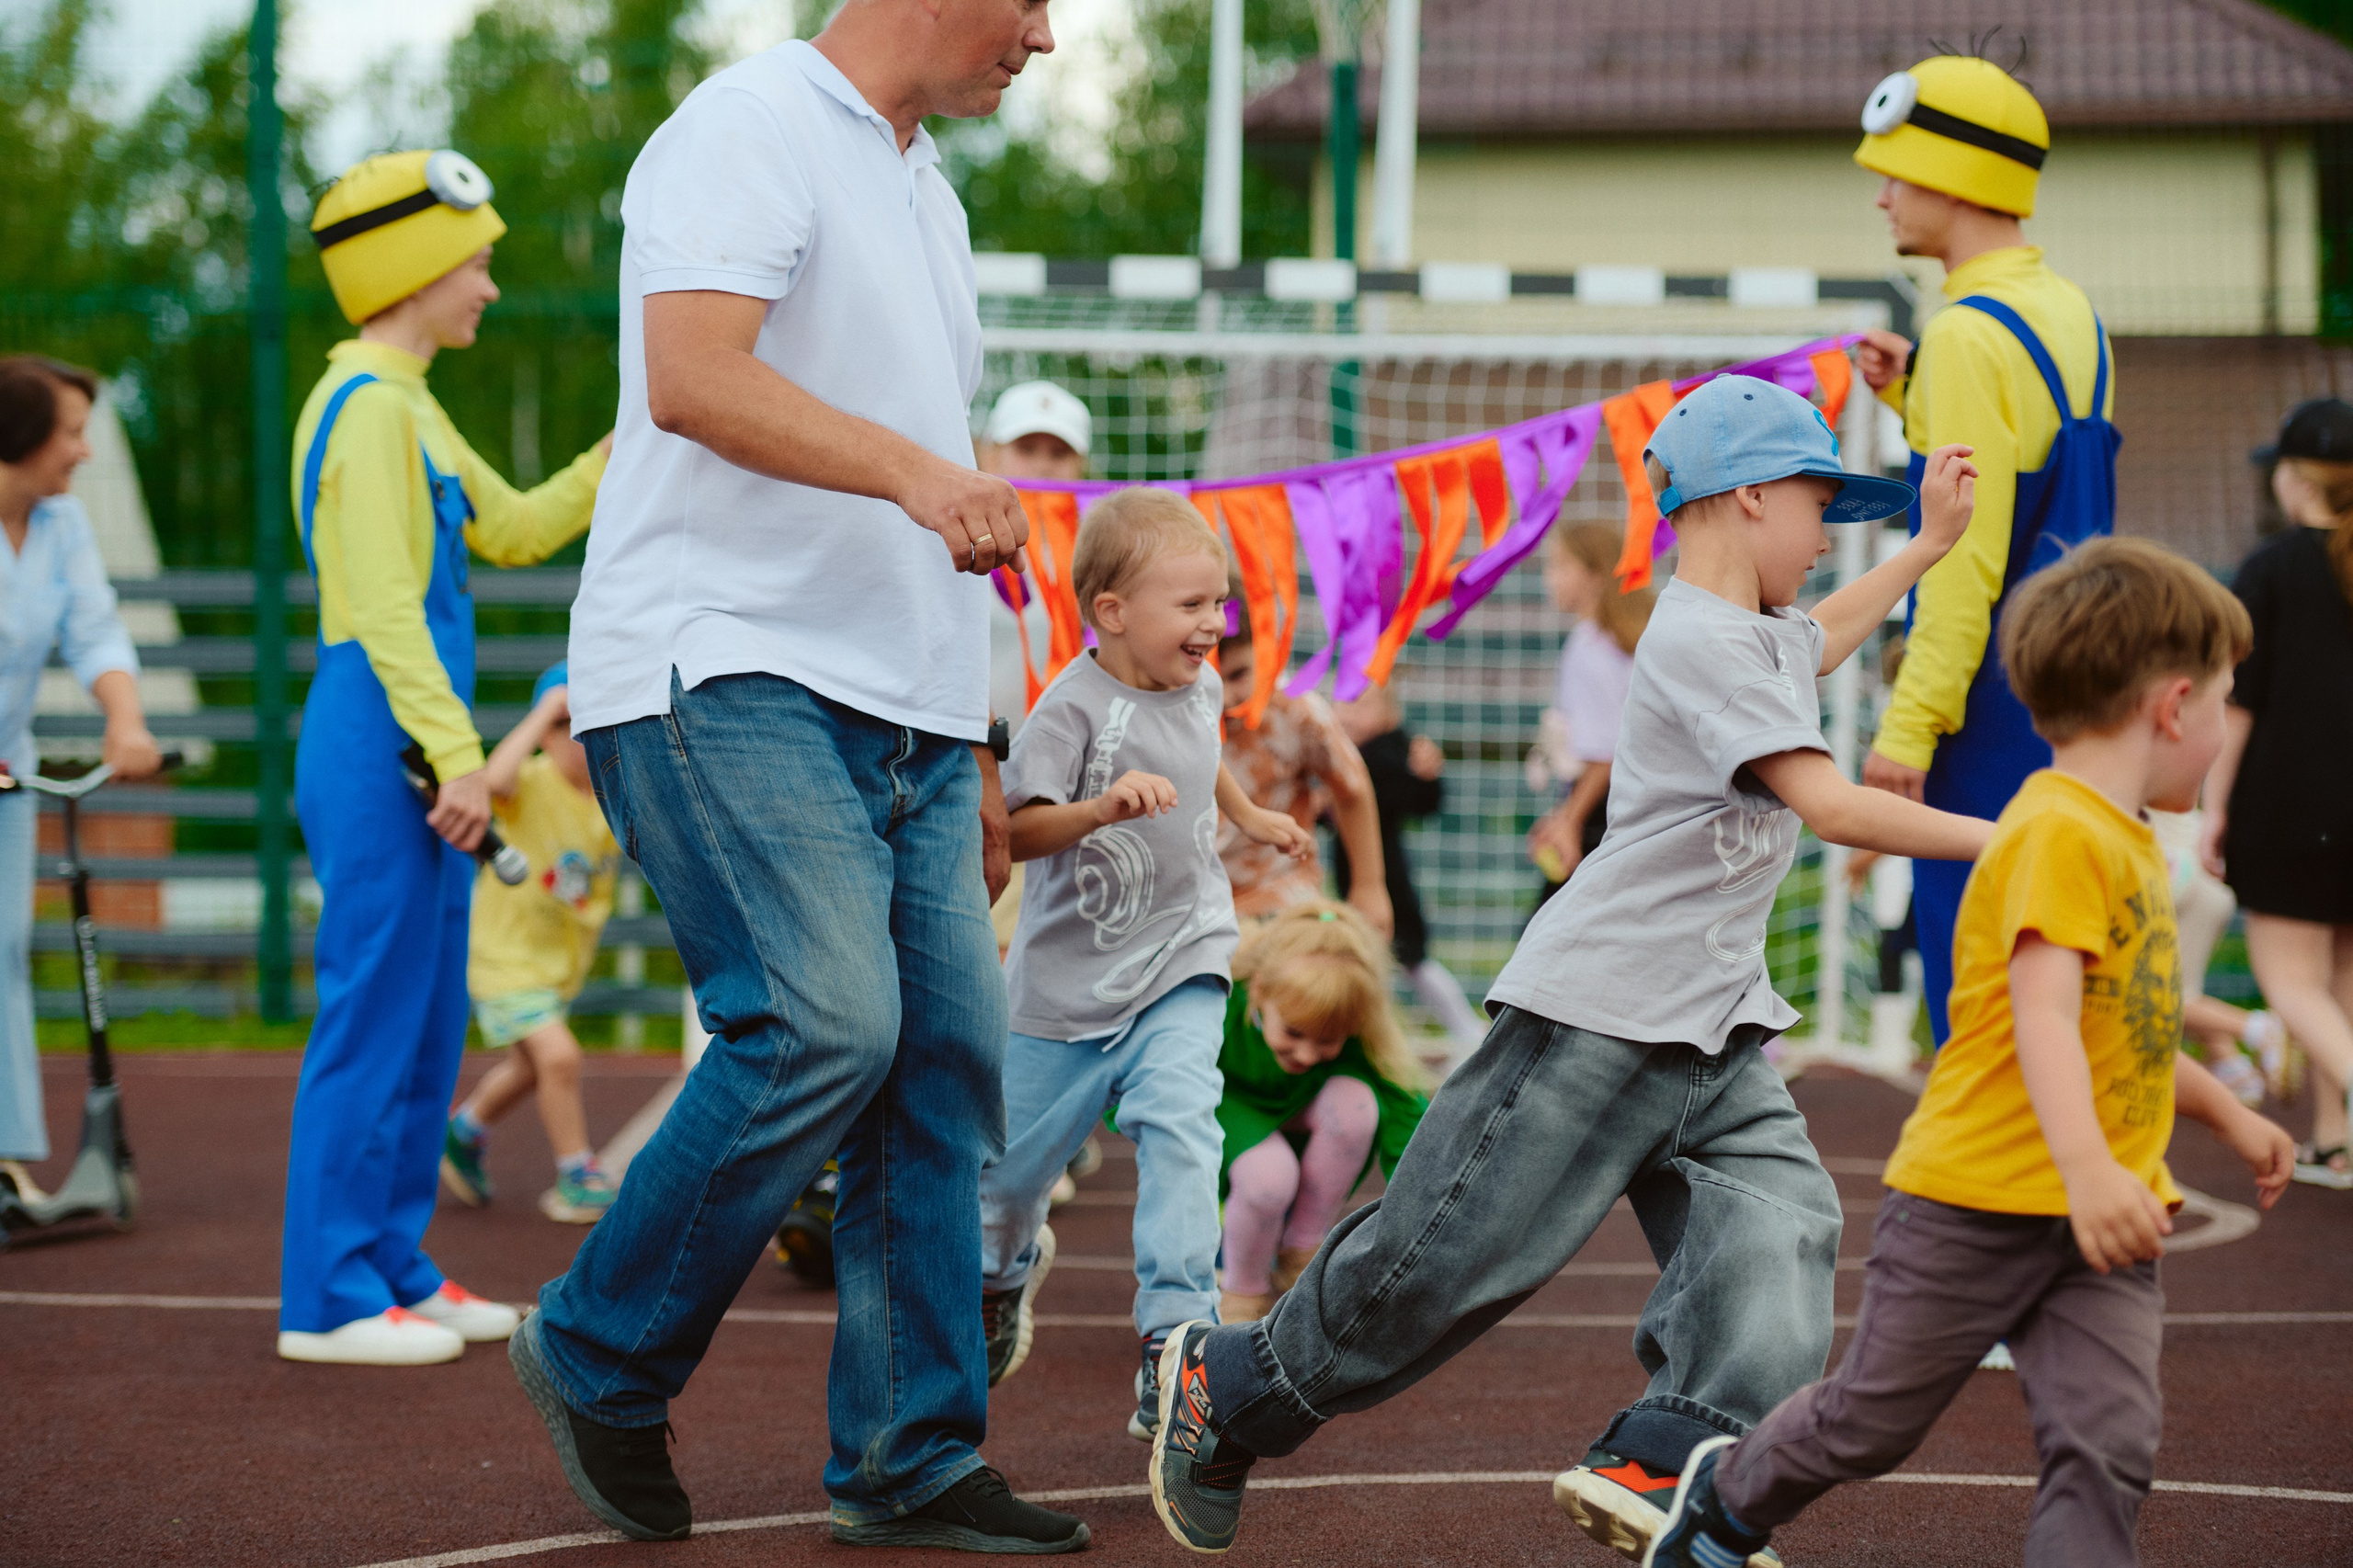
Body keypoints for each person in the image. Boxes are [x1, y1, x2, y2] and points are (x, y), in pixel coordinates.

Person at [1146, 375, 1994, 1562]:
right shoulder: (1699, 641)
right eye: (1818, 509)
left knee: (1783, 1222)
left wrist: (1927, 551)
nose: (1825, 536)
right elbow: (1831, 801)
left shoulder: (1744, 636)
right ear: (1751, 497)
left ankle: (1673, 1448)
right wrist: (2013, 836)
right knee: (1439, 1266)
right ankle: (1225, 1383)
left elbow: (1819, 638)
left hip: (1713, 1027)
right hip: (1597, 1016)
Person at [514, 5, 1091, 1553]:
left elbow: (939, 454)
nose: (1045, 34)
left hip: (908, 704)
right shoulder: (747, 124)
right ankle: (595, 1347)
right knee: (823, 1022)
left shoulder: (931, 191)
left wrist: (972, 736)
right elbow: (695, 378)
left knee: (939, 1073)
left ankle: (912, 1454)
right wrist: (918, 473)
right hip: (726, 665)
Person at [1643, 539, 2297, 1568]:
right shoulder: (2055, 834)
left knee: (2108, 1443)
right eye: (2221, 703)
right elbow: (2043, 1017)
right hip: (1975, 1204)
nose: (2222, 732)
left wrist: (2227, 1112)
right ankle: (1725, 1496)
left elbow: (2118, 1029)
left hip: (2100, 1226)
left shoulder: (2125, 839)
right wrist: (2084, 1167)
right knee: (1870, 1422)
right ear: (2173, 706)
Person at [279, 150, 608, 1367]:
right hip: (384, 732)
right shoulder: (366, 407)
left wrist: (623, 449)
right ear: (414, 268)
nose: (489, 287)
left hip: (412, 735)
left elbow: (515, 527)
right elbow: (379, 605)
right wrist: (460, 757)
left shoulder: (406, 397)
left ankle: (394, 1264)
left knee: (425, 1018)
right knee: (372, 1014)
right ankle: (326, 1296)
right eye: (476, 263)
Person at [977, 488, 1310, 1443]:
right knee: (1002, 1179)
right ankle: (998, 1276)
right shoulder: (1068, 709)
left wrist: (1249, 818)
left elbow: (1206, 752)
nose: (1216, 624)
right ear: (1113, 613)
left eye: (1220, 602)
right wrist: (1102, 808)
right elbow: (1021, 829)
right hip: (1063, 991)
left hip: (1184, 955)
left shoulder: (1198, 681)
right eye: (1193, 606)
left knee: (1180, 1125)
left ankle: (1175, 1341)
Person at [1851, 55, 2118, 1046]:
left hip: (1986, 711)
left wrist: (1909, 728)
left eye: (1895, 172)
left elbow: (1962, 557)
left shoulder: (1965, 333)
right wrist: (1916, 389)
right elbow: (2031, 454)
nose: (1881, 195)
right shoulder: (2070, 312)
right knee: (2058, 990)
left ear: (1954, 178)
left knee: (1979, 1007)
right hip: (2077, 695)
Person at [0, 356, 162, 1205]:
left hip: (7, 774)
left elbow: (95, 631)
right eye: (70, 436)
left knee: (4, 954)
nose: (83, 454)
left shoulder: (60, 526)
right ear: (18, 438)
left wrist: (125, 719)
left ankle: (3, 1156)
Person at [2200, 397, 2353, 1188]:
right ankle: (2335, 1139)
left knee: (2291, 980)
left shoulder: (2273, 568)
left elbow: (2239, 700)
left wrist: (2214, 806)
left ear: (2295, 480)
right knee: (2341, 982)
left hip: (2291, 809)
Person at [440, 663, 622, 1224]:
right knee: (560, 1056)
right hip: (504, 956)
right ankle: (577, 1173)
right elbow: (492, 782)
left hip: (557, 965)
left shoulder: (613, 795)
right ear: (544, 735)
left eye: (586, 725)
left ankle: (463, 1134)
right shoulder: (534, 782)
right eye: (563, 727)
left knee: (529, 1067)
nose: (576, 741)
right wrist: (545, 709)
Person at [1214, 901, 1428, 1324]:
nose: (1307, 1054)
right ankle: (1241, 1289)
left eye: (1328, 1041)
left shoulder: (1354, 1023)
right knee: (1268, 1177)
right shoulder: (1218, 1010)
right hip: (1229, 1103)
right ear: (1259, 991)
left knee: (1356, 1105)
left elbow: (1405, 1108)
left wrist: (1426, 1203)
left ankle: (1302, 1248)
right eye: (1293, 1032)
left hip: (1297, 1108)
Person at [1332, 685, 1487, 1062]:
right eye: (1342, 702)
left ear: (1390, 715)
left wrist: (1425, 778)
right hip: (1359, 873)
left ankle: (1466, 1030)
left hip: (1386, 879)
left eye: (1361, 705)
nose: (1349, 714)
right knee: (1390, 960)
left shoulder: (1385, 754)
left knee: (1410, 958)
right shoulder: (1350, 754)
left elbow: (1419, 800)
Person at [1216, 615, 1392, 937]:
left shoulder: (1295, 709)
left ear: (1264, 650)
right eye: (1212, 679)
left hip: (1281, 895)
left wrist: (1369, 886)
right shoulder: (1169, 716)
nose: (1226, 698)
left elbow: (1351, 789)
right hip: (1194, 907)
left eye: (1239, 674)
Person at [1528, 522, 1658, 898]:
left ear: (1595, 575)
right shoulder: (1628, 643)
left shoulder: (1591, 647)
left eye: (1559, 567)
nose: (1549, 579)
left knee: (1549, 939)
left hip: (1603, 813)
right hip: (1633, 808)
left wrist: (1569, 821)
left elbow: (1605, 752)